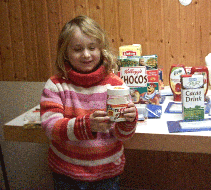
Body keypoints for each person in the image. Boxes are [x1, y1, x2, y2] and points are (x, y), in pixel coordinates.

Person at [40, 15, 138, 190]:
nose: (86, 54)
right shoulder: (56, 85)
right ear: (65, 53)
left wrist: (129, 120)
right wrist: (87, 126)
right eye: (77, 49)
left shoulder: (116, 85)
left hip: (107, 175)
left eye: (92, 47)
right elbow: (50, 127)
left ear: (101, 49)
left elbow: (123, 135)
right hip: (66, 174)